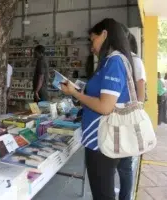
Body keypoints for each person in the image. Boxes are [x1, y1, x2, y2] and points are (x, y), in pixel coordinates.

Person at [61, 18, 134, 200]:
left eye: (92, 40)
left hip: (102, 142)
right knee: (102, 192)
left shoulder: (114, 62)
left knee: (103, 194)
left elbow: (105, 106)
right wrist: (79, 92)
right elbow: (100, 99)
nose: (91, 47)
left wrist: (76, 94)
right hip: (99, 140)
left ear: (104, 34)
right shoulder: (109, 63)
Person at [117, 33, 146, 200]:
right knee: (121, 163)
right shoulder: (118, 59)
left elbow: (140, 90)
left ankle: (125, 197)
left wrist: (135, 113)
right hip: (116, 118)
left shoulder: (134, 60)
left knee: (125, 165)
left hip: (127, 118)